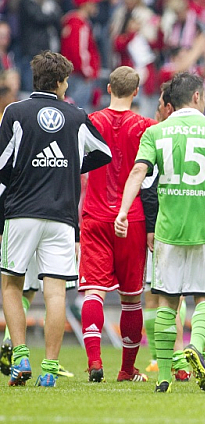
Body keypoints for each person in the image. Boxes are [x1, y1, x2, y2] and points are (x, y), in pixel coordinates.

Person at [115, 72, 205, 393]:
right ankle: (197, 348)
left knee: (167, 302)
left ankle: (165, 375)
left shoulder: (156, 132)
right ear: (197, 97)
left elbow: (139, 171)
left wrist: (124, 211)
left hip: (168, 231)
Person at [0, 51, 112, 387]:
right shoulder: (76, 115)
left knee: (10, 285)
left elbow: (3, 166)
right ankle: (49, 368)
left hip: (20, 213)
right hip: (62, 216)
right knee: (55, 293)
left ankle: (20, 357)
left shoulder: (15, 113)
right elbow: (102, 152)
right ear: (62, 83)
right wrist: (69, 167)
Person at [79, 66, 158, 384]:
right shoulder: (145, 126)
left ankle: (95, 362)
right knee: (131, 297)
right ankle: (126, 369)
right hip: (133, 218)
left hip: (96, 215)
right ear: (136, 92)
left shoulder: (91, 122)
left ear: (109, 88)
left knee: (94, 292)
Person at [60, 0, 101, 110]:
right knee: (79, 110)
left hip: (74, 73)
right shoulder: (79, 24)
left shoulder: (73, 22)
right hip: (80, 75)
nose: (95, 6)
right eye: (92, 3)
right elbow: (79, 50)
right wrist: (87, 71)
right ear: (85, 5)